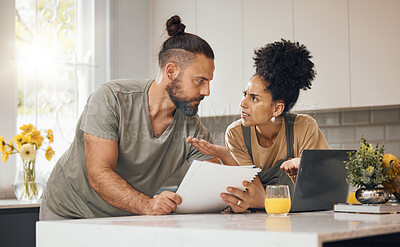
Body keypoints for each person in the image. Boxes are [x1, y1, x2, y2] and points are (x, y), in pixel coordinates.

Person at [39, 15, 229, 220]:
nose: (207, 91)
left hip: (124, 216)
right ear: (171, 71)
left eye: (209, 81)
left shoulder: (193, 129)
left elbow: (213, 183)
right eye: (200, 81)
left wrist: (228, 198)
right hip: (69, 211)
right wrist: (148, 204)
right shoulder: (111, 98)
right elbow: (99, 174)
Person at [187, 39, 329, 213]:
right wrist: (225, 155)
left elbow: (323, 191)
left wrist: (305, 167)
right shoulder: (236, 133)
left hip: (304, 218)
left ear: (277, 109)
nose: (242, 103)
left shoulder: (304, 127)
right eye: (245, 94)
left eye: (254, 98)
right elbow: (255, 194)